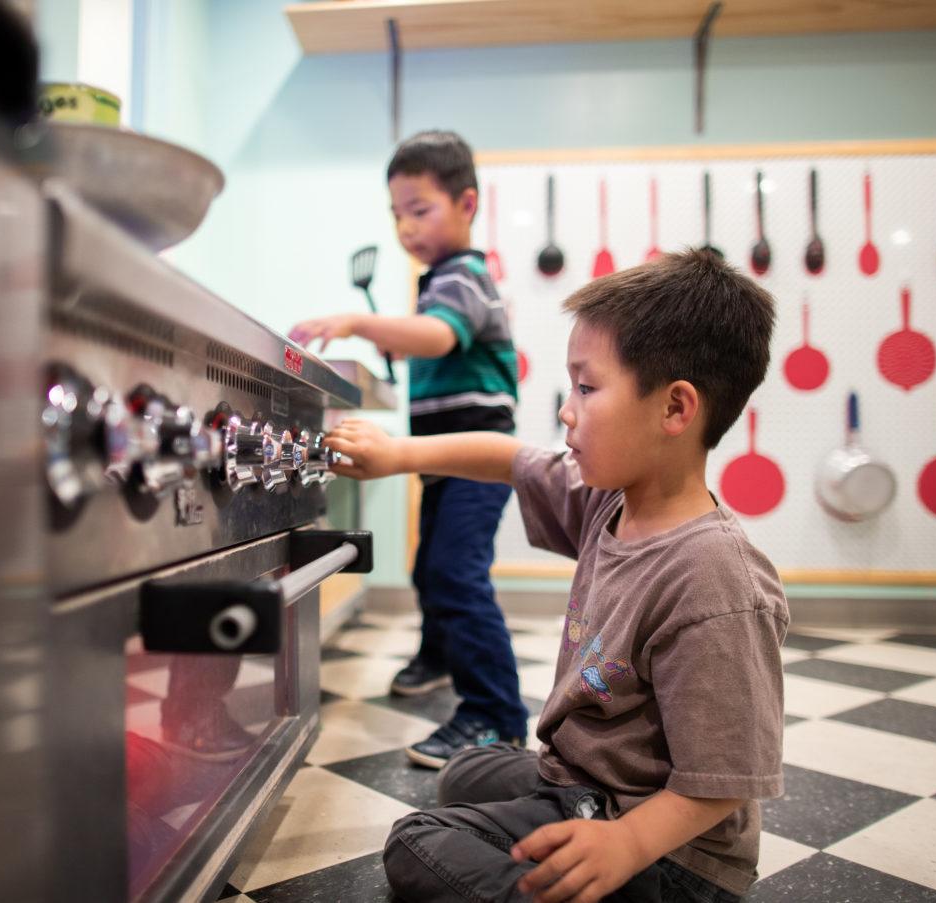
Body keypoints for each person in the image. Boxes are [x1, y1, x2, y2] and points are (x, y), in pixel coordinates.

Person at [325, 250, 788, 902]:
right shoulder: (612, 500)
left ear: (675, 408)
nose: (567, 411)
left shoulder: (713, 579)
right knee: (468, 772)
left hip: (671, 860)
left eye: (587, 388)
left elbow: (725, 778)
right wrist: (398, 455)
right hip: (591, 787)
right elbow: (508, 457)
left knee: (416, 842)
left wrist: (624, 844)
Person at [289, 130, 528, 767]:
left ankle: (496, 714)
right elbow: (432, 339)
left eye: (419, 210)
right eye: (397, 213)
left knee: (455, 572)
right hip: (448, 458)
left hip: (477, 457)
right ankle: (441, 655)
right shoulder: (440, 280)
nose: (404, 227)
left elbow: (440, 338)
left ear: (466, 204)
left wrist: (359, 322)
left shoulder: (465, 278)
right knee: (432, 568)